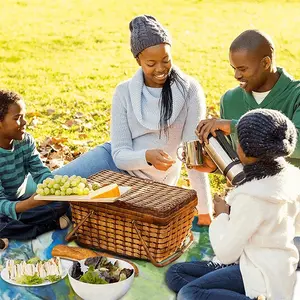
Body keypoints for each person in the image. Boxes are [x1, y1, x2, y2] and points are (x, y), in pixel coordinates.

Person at [51, 15, 213, 225]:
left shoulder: (190, 90)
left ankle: (62, 217)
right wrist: (146, 156)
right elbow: (119, 155)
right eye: (151, 63)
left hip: (148, 186)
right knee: (49, 188)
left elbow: (193, 156)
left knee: (92, 216)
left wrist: (205, 211)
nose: (161, 69)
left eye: (166, 60)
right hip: (113, 163)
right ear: (138, 60)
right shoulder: (125, 92)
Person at [166, 108, 300, 300]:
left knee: (189, 293)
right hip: (275, 267)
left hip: (258, 273)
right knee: (176, 273)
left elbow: (226, 253)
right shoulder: (291, 178)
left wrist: (222, 215)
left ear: (243, 150)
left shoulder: (251, 197)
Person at [195, 29, 300, 259]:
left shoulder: (296, 95)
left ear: (265, 62)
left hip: (288, 210)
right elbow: (241, 160)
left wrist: (234, 126)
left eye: (242, 69)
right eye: (233, 68)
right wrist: (215, 165)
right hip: (247, 207)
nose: (236, 76)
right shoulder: (230, 99)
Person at [0, 90, 70, 242]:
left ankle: (12, 232)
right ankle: (45, 225)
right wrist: (28, 205)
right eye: (18, 118)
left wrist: (53, 189)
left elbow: (40, 172)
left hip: (21, 201)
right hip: (4, 207)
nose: (25, 122)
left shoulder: (25, 141)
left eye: (24, 116)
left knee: (63, 203)